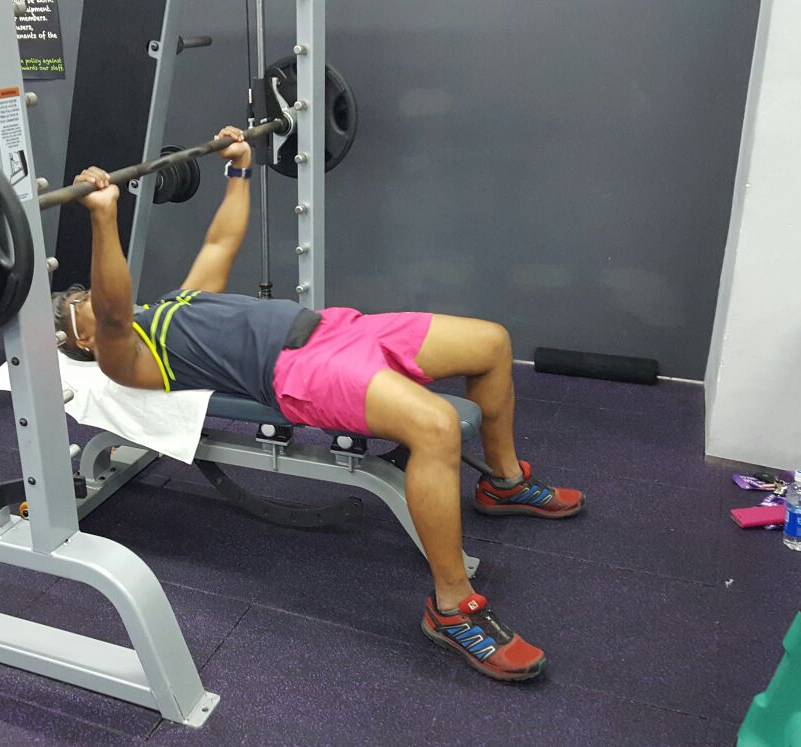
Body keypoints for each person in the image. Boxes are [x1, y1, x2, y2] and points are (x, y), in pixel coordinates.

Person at [53, 125, 585, 682]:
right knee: (435, 425)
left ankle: (504, 483)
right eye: (76, 307)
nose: (84, 298)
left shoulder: (174, 303)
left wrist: (239, 168)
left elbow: (218, 244)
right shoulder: (129, 358)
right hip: (298, 370)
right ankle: (452, 607)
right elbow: (112, 312)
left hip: (338, 328)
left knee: (492, 342)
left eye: (82, 293)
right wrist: (103, 218)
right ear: (85, 343)